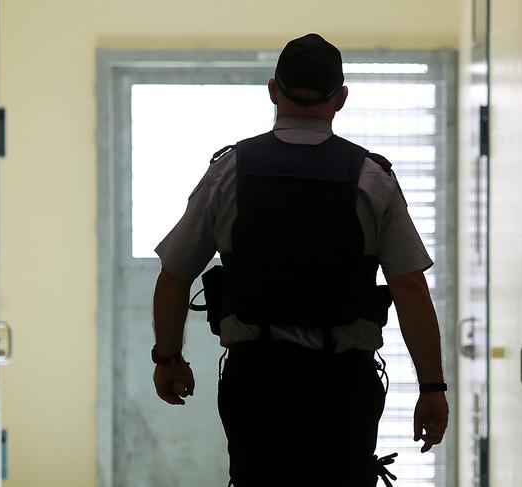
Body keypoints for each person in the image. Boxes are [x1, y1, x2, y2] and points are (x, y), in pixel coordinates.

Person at [151, 33, 448, 487]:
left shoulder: (228, 172)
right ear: (341, 98)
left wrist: (168, 358)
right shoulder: (372, 177)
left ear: (274, 90)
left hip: (256, 384)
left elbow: (174, 275)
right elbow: (409, 288)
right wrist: (431, 388)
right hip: (344, 386)